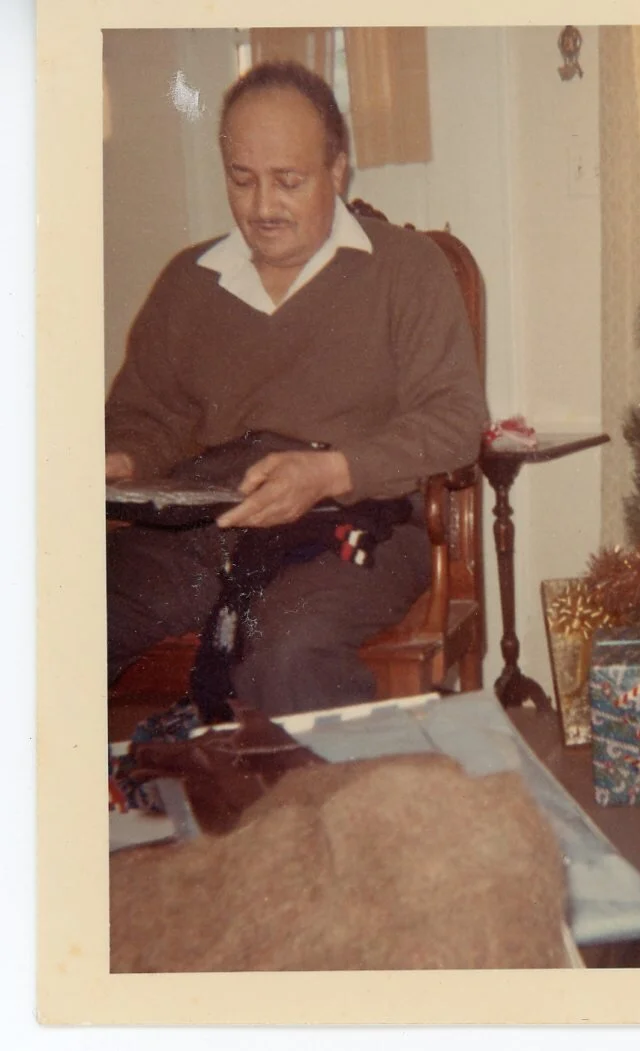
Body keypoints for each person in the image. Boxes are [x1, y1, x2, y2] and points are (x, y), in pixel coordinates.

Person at [106, 61, 488, 717]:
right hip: (206, 522)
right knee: (53, 606)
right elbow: (148, 415)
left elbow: (455, 420)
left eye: (288, 181)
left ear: (337, 171)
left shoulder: (406, 269)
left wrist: (330, 471)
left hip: (352, 525)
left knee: (287, 650)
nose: (261, 207)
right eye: (242, 179)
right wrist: (126, 457)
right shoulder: (189, 280)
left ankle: (324, 787)